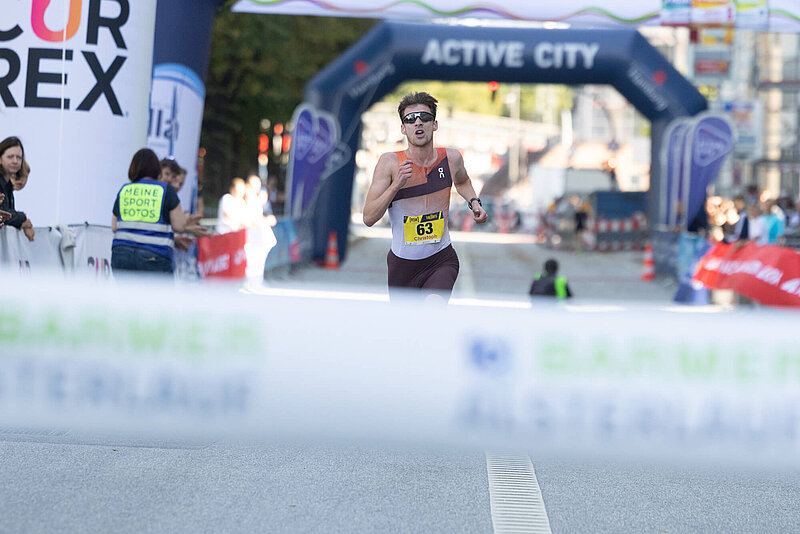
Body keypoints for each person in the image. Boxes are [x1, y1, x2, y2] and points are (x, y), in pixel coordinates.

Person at [363, 91, 488, 301]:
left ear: (435, 124)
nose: (418, 123)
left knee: (433, 310)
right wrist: (396, 186)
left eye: (425, 117)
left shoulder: (451, 158)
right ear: (403, 128)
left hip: (441, 259)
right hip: (402, 266)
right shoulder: (390, 163)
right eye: (410, 119)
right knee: (407, 330)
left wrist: (474, 202)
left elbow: (463, 181)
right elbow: (368, 218)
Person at [111, 148, 207, 275]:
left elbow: (114, 227)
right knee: (158, 295)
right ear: (157, 169)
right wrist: (189, 225)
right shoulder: (166, 190)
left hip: (121, 254)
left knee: (126, 295)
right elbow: (178, 225)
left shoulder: (125, 189)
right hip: (154, 256)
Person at [0, 136, 34, 240]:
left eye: (19, 157)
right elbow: (4, 215)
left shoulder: (8, 186)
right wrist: (22, 218)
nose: (15, 161)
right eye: (10, 157)